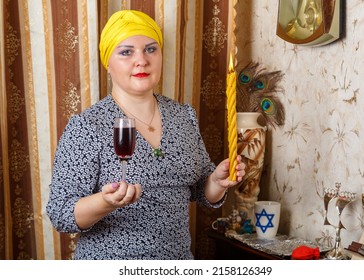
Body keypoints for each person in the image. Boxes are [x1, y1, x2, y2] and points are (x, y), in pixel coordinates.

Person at [46, 9, 245, 260]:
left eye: (151, 49)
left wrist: (216, 181)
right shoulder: (87, 127)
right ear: (108, 62)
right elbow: (61, 213)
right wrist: (105, 203)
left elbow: (199, 190)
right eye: (126, 52)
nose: (141, 60)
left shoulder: (183, 116)